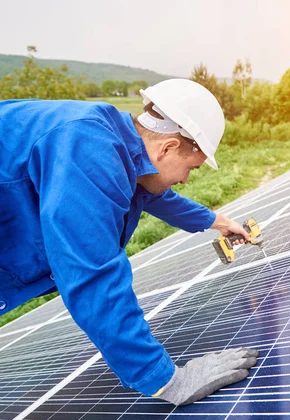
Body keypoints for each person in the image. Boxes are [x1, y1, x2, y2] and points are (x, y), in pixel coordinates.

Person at [0, 79, 258, 406]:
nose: (184, 180)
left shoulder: (117, 142)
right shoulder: (88, 152)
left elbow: (154, 195)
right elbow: (92, 274)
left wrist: (221, 223)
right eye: (190, 168)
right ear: (168, 147)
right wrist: (168, 380)